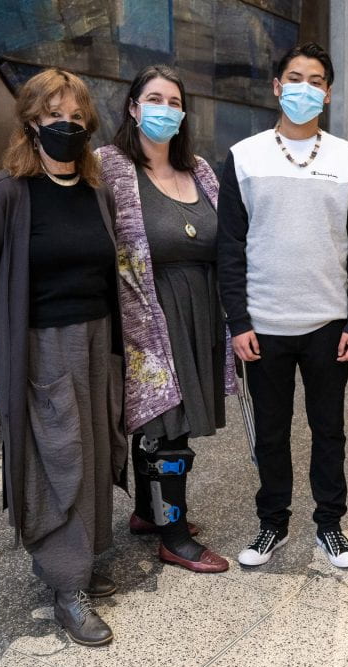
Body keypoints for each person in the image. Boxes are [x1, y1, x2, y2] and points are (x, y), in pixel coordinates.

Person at [0, 68, 125, 647]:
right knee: (60, 457)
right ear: (31, 123)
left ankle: (82, 562)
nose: (67, 127)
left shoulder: (96, 191)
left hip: (97, 340)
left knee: (97, 446)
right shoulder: (5, 193)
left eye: (78, 118)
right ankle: (64, 586)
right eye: (55, 117)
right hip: (43, 344)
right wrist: (12, 330)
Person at [217, 42, 348, 569]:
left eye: (315, 80)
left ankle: (330, 525)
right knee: (271, 431)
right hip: (263, 325)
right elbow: (230, 247)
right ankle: (272, 524)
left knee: (329, 430)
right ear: (276, 86)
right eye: (294, 77)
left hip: (329, 324)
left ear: (327, 93)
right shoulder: (244, 156)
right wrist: (237, 321)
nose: (303, 88)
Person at [96, 65, 234, 574]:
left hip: (199, 309)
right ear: (133, 107)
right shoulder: (108, 166)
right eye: (154, 99)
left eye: (174, 102)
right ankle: (174, 534)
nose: (165, 110)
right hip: (146, 312)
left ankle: (147, 513)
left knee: (163, 422)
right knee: (164, 423)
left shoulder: (198, 168)